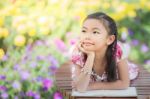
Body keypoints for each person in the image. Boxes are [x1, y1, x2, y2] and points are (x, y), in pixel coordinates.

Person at [69, 12, 139, 92]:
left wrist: (94, 86)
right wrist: (91, 56)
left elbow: (124, 83)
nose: (87, 36)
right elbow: (80, 88)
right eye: (84, 31)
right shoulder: (78, 53)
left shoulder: (117, 50)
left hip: (118, 74)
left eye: (95, 32)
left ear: (109, 39)